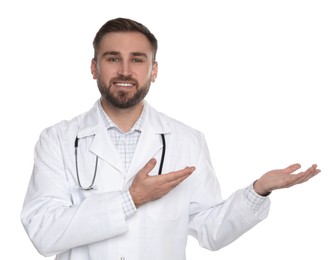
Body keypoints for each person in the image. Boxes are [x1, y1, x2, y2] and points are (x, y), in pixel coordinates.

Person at [21, 18, 320, 260]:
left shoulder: (187, 140)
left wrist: (257, 191)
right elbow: (44, 233)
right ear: (94, 67)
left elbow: (210, 231)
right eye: (113, 58)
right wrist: (131, 199)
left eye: (137, 60)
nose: (125, 71)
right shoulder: (58, 140)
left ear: (153, 71)